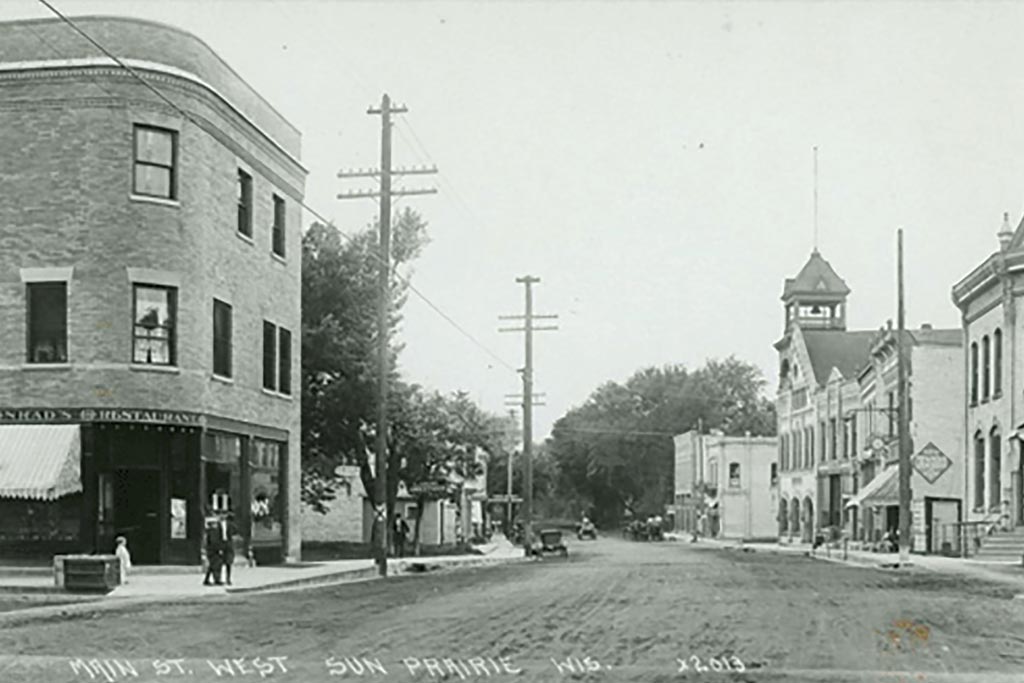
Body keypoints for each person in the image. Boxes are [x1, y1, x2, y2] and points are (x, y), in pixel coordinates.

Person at [203, 513, 224, 586]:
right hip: (214, 551)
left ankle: (207, 579)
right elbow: (214, 542)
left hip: (210, 551)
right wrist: (219, 549)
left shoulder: (209, 531)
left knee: (212, 566)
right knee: (216, 565)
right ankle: (217, 579)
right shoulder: (213, 532)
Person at [220, 511, 239, 586]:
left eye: (224, 514)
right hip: (220, 544)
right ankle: (219, 578)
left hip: (228, 544)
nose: (222, 516)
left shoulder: (230, 524)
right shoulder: (217, 525)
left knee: (228, 562)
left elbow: (236, 531)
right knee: (219, 562)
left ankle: (228, 578)